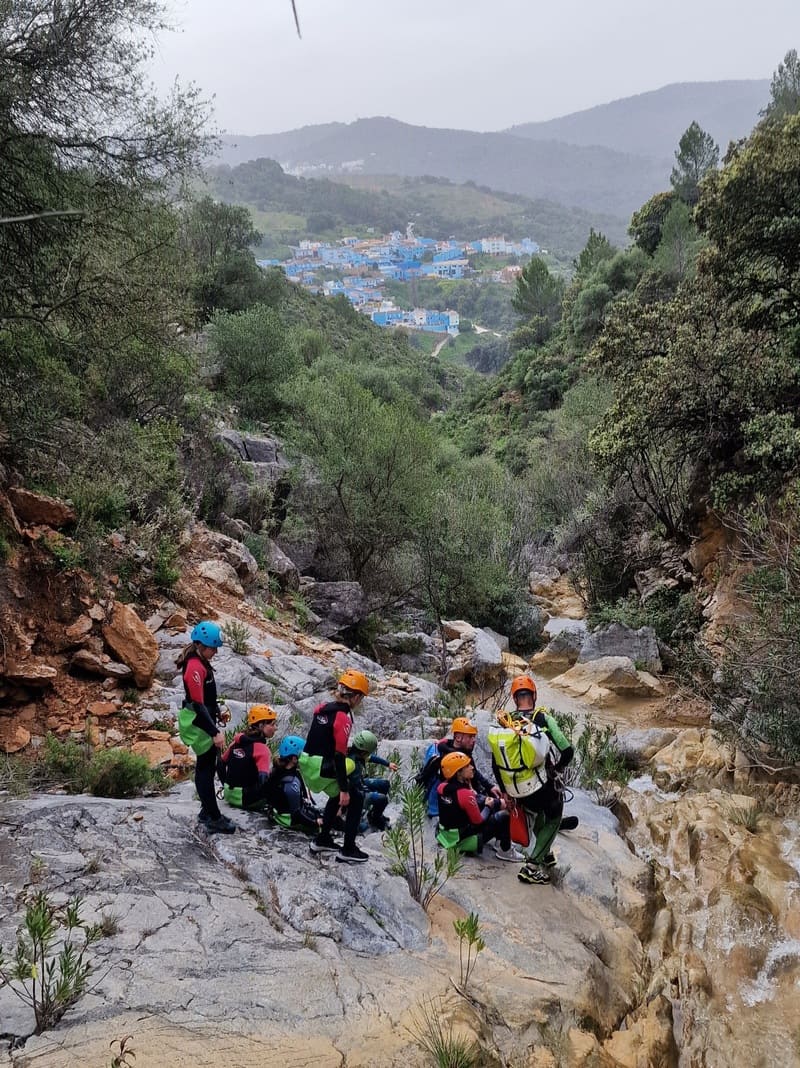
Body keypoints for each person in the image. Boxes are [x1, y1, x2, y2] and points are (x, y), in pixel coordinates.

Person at [487, 674, 574, 886]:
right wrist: (558, 769)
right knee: (554, 817)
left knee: (540, 814)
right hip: (539, 786)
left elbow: (496, 763)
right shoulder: (542, 718)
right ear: (534, 696)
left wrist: (506, 791)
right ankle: (532, 867)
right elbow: (567, 751)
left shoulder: (506, 722)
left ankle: (544, 854)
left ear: (514, 698)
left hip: (515, 788)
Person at [302, 668, 371, 864]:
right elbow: (339, 756)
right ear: (356, 697)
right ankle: (348, 848)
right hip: (321, 766)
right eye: (361, 698)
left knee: (336, 794)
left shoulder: (324, 708)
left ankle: (322, 839)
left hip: (307, 762)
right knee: (356, 795)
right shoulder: (343, 717)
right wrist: (344, 790)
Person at [176, 620, 236, 835]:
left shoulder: (200, 662)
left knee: (207, 767)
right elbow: (198, 704)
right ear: (201, 645)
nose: (215, 652)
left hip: (203, 717)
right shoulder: (194, 666)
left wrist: (217, 710)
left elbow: (205, 699)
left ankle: (207, 811)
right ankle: (213, 817)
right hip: (198, 721)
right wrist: (214, 732)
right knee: (205, 769)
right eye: (213, 648)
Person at [435, 752, 522, 861]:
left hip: (445, 835)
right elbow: (478, 822)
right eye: (467, 766)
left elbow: (461, 805)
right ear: (458, 773)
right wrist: (488, 806)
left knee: (488, 804)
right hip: (461, 842)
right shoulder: (465, 795)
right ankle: (505, 850)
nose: (472, 767)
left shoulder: (441, 787)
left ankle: (499, 841)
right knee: (504, 816)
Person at [417, 716, 501, 817]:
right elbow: (463, 792)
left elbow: (474, 773)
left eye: (474, 737)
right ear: (458, 738)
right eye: (470, 737)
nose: (473, 740)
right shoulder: (453, 760)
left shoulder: (451, 748)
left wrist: (490, 786)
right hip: (456, 805)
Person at [218, 705, 278, 811]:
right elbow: (263, 780)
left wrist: (225, 785)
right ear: (261, 725)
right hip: (247, 800)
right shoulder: (262, 749)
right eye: (272, 724)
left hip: (228, 795)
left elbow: (220, 764)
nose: (276, 728)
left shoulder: (236, 743)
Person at [265, 735, 323, 834]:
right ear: (293, 759)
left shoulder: (276, 771)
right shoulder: (291, 782)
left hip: (280, 814)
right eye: (302, 755)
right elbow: (297, 815)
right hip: (290, 820)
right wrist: (316, 823)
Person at [347, 729, 399, 832]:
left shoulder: (357, 753)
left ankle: (374, 813)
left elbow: (371, 758)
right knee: (382, 799)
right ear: (364, 751)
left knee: (384, 784)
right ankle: (375, 818)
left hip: (360, 784)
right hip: (354, 792)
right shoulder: (350, 763)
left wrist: (388, 764)